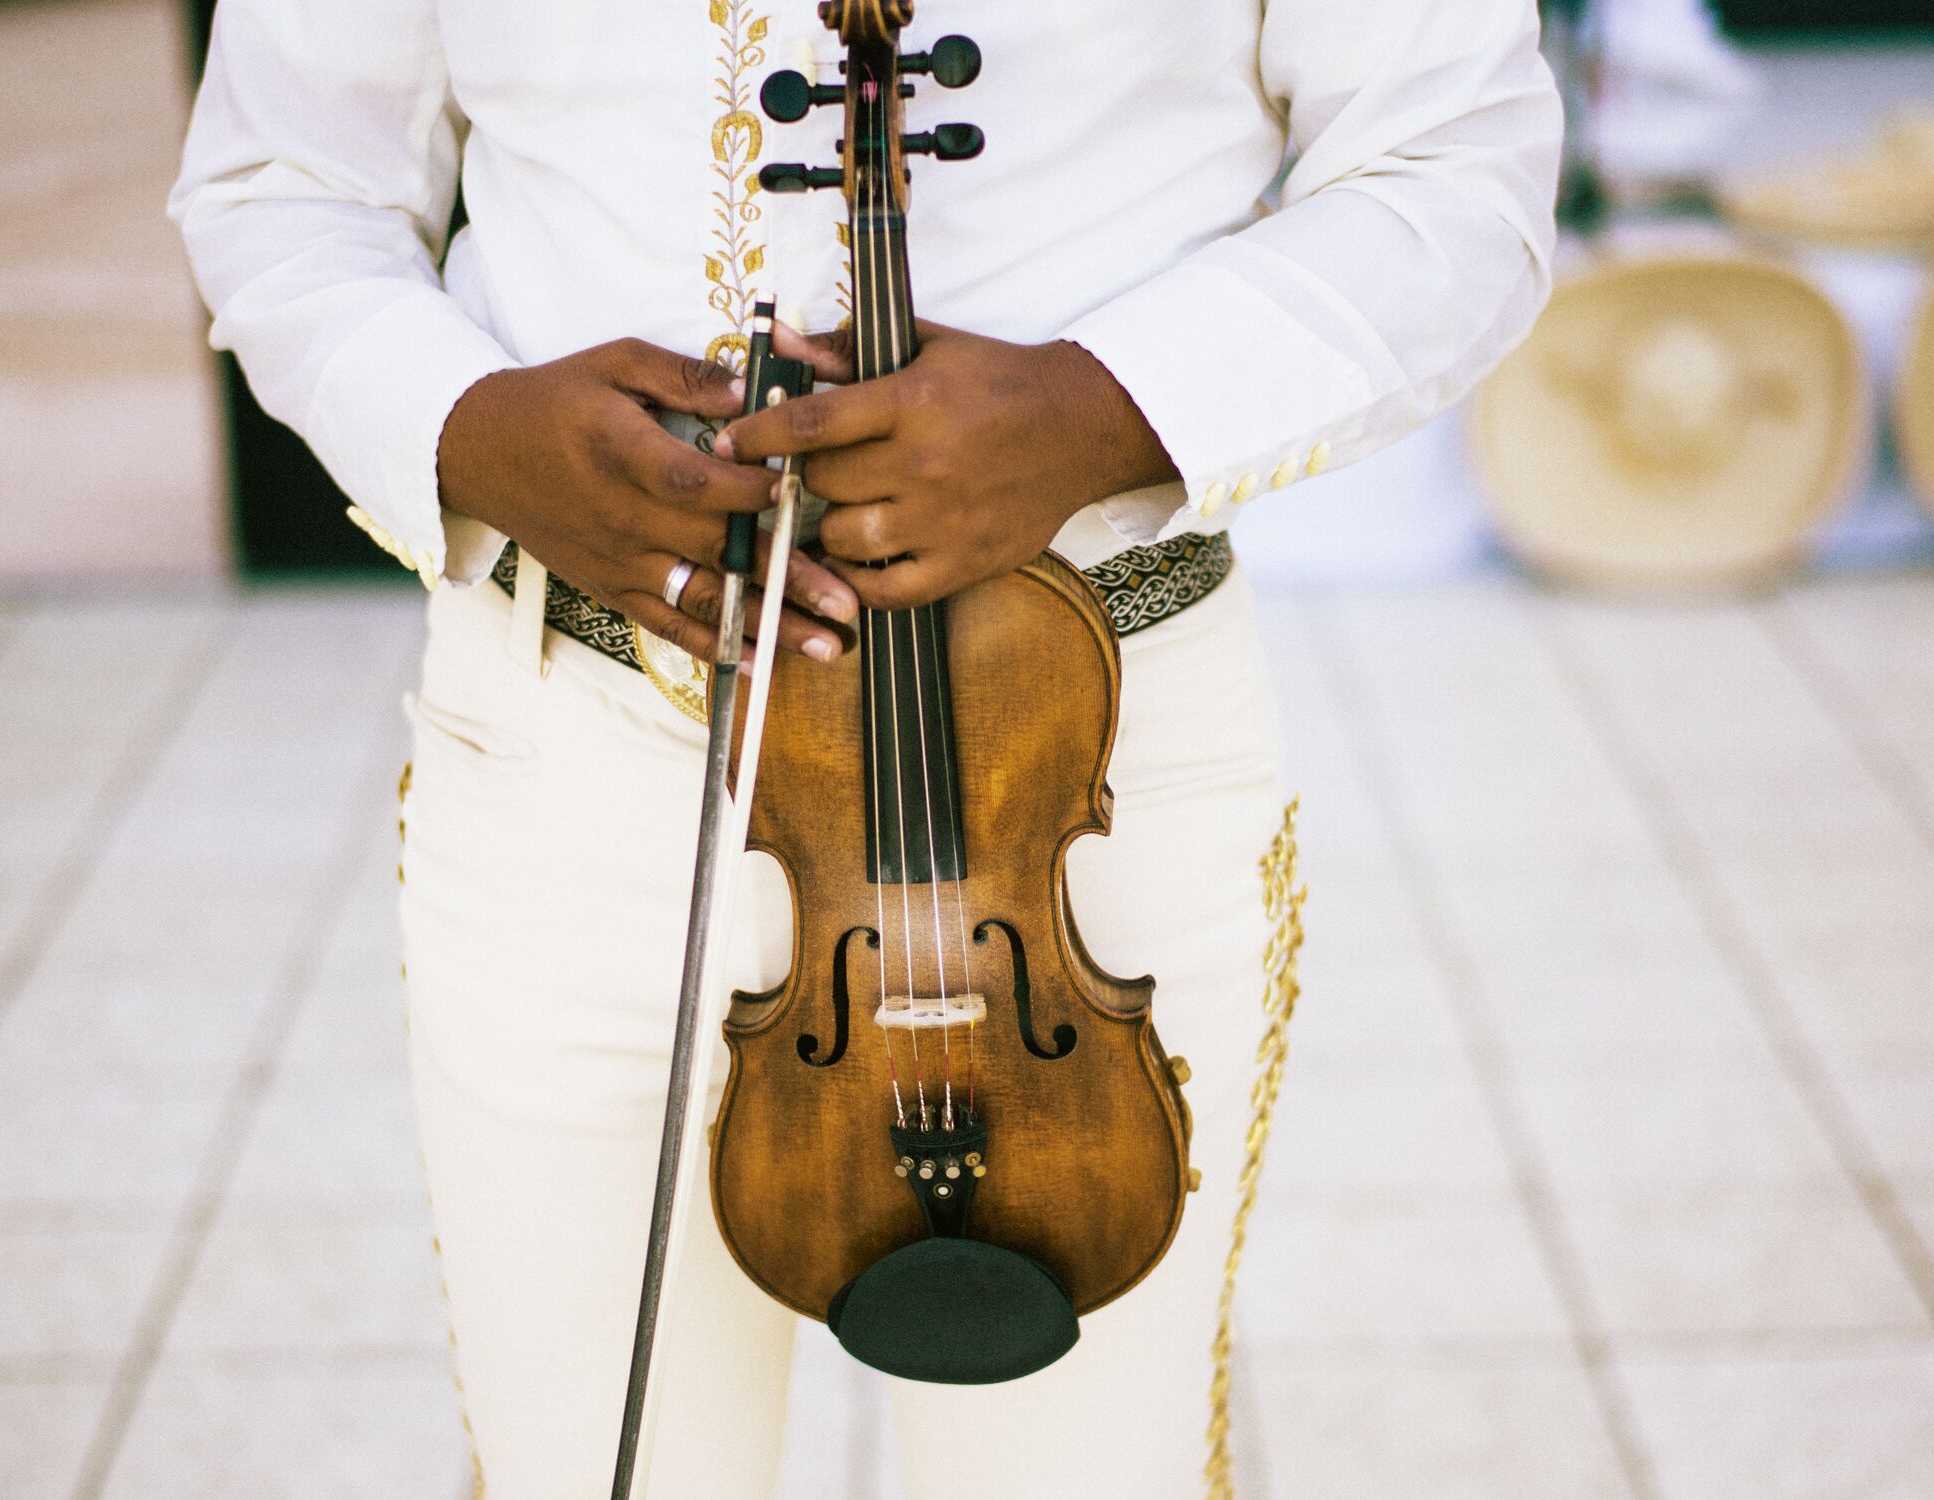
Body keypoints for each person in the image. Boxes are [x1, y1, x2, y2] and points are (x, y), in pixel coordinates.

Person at [171, 2, 1560, 1495]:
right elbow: (283, 187)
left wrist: (1101, 409)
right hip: (572, 753)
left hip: (1075, 770)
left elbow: (1454, 171)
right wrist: (466, 425)